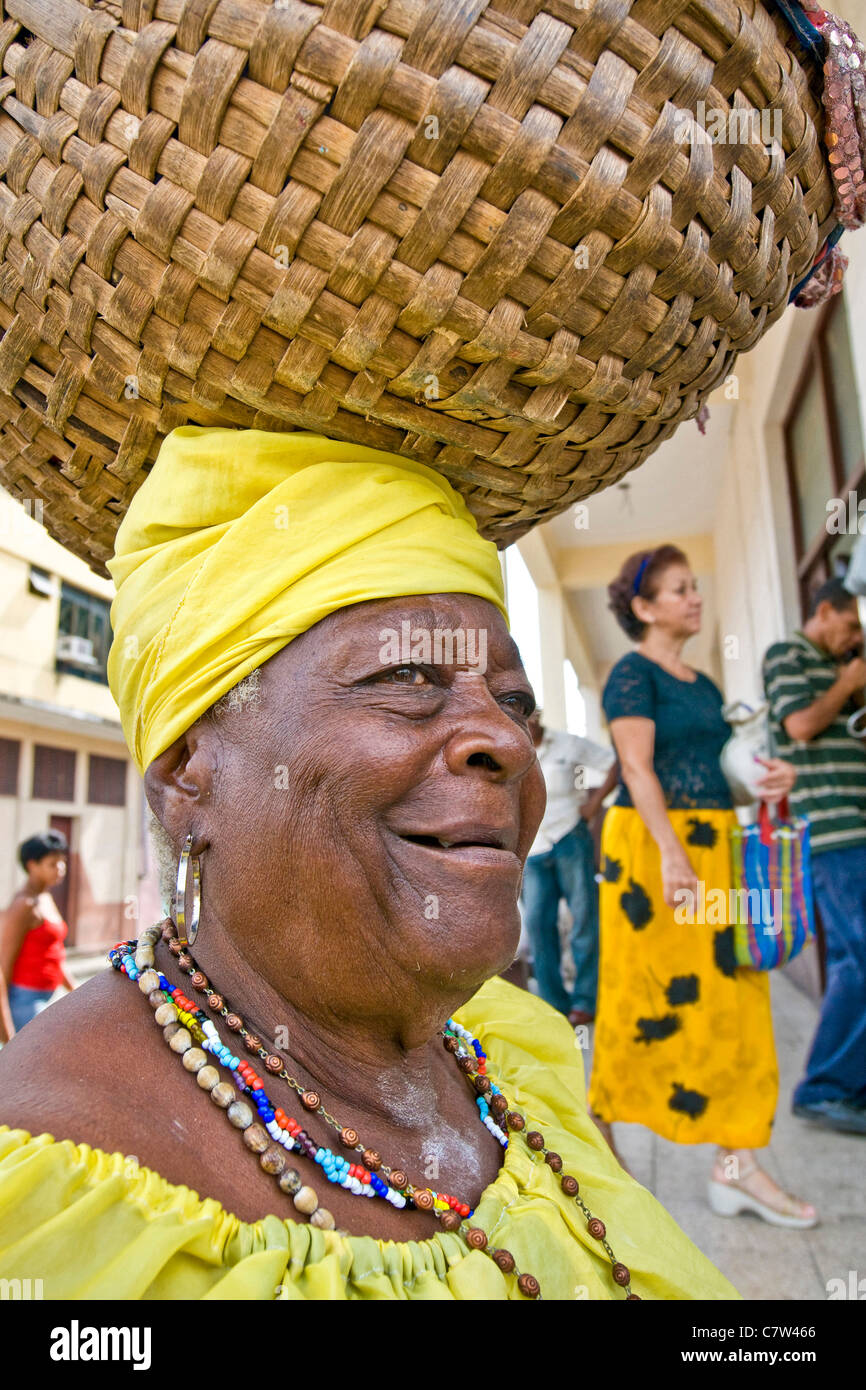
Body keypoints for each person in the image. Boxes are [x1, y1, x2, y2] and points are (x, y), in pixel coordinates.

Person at [0, 429, 737, 1300]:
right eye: (409, 678)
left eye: (513, 700)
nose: (507, 740)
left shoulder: (520, 1057)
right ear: (189, 771)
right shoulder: (48, 1200)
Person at [589, 544, 817, 1229]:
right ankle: (601, 1144)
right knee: (641, 997)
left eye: (695, 586)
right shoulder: (632, 674)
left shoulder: (706, 685)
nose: (695, 597)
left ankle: (735, 1165)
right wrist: (672, 856)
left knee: (737, 1000)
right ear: (642, 606)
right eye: (680, 589)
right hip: (655, 854)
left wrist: (765, 781)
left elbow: (717, 771)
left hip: (716, 847)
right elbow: (637, 768)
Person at [762, 577, 866, 1135]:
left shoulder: (840, 666)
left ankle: (850, 1086)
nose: (854, 638)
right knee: (860, 956)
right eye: (849, 626)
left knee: (856, 957)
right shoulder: (788, 655)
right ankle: (824, 1087)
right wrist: (847, 681)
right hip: (830, 829)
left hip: (857, 824)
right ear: (824, 611)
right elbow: (800, 725)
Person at [522, 710, 617, 1024]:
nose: (528, 720)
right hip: (534, 845)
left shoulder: (569, 744)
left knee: (583, 918)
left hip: (570, 838)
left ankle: (586, 1001)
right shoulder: (514, 749)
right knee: (538, 923)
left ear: (539, 715)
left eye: (531, 713)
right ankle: (553, 1005)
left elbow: (614, 763)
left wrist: (594, 804)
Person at [0, 830, 74, 1041]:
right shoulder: (24, 905)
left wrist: (76, 989)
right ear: (32, 865)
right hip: (26, 1002)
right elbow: (2, 968)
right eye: (53, 863)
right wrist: (7, 1035)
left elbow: (52, 954)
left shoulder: (45, 897)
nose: (61, 868)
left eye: (62, 861)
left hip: (51, 995)